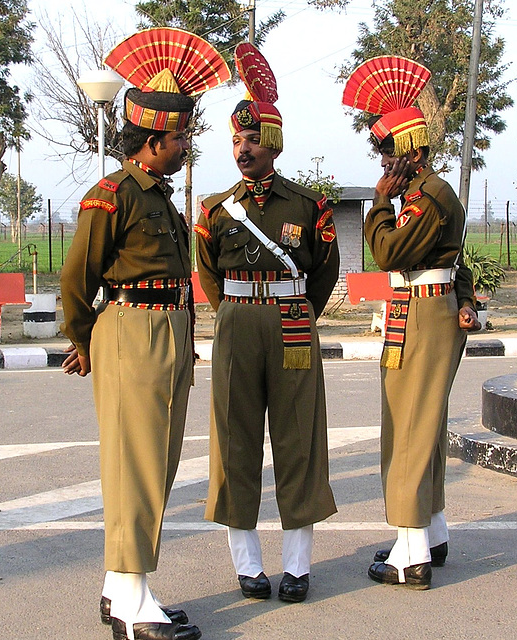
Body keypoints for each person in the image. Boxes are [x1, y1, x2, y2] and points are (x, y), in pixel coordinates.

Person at [60, 28, 229, 640]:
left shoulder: (157, 195)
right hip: (133, 330)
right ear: (153, 141)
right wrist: (83, 340)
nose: (186, 146)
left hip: (167, 331)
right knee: (138, 462)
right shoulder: (113, 195)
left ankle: (117, 587)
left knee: (155, 461)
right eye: (180, 137)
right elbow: (78, 275)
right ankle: (134, 603)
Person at [194, 43, 339, 603]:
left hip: (292, 320)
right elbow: (207, 272)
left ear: (272, 143)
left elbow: (322, 273)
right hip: (235, 322)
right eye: (235, 140)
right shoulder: (216, 207)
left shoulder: (307, 206)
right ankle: (249, 566)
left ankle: (298, 567)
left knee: (298, 438)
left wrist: (297, 309)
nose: (242, 149)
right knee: (235, 438)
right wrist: (231, 311)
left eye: (252, 140)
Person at [342, 55, 481, 590]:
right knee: (421, 424)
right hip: (416, 308)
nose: (381, 164)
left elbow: (388, 253)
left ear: (412, 152)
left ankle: (411, 556)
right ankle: (427, 533)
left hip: (423, 311)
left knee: (410, 428)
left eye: (386, 152)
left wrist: (378, 204)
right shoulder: (424, 194)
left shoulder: (426, 196)